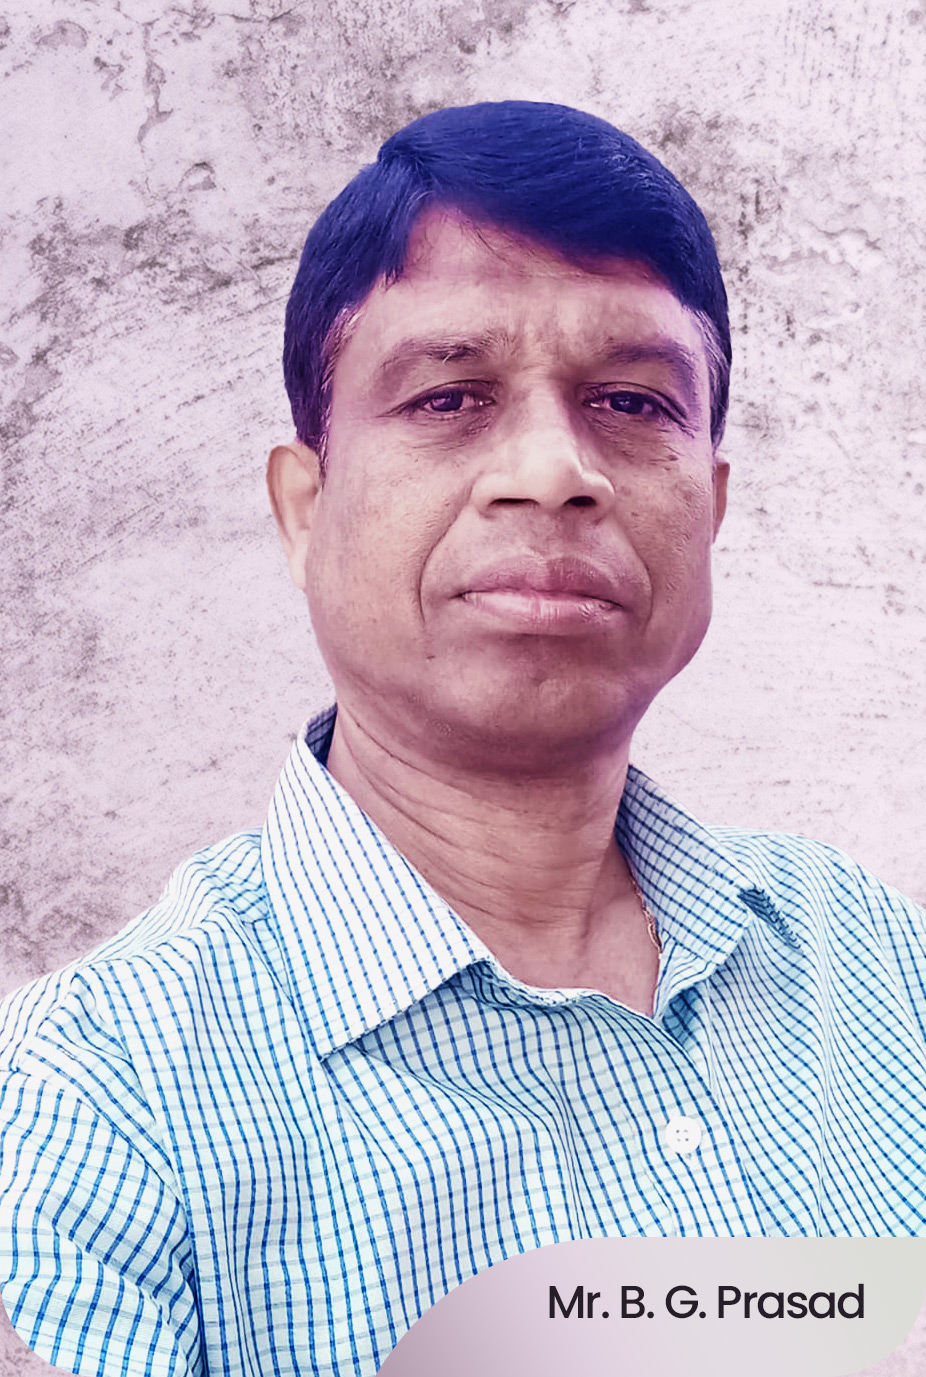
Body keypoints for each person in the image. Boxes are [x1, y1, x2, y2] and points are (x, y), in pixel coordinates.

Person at [1, 100, 925, 1377]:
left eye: (630, 400)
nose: (551, 470)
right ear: (304, 509)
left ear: (708, 510)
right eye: (447, 397)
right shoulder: (94, 1100)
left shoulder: (865, 955)